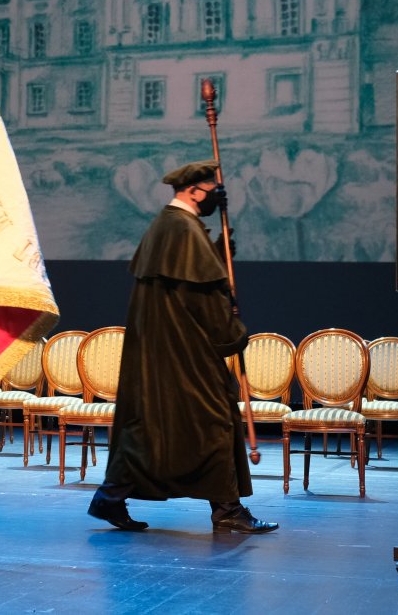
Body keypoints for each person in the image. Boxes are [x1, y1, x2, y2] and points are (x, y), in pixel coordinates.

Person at [88, 159, 278, 535]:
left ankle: (111, 496)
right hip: (186, 355)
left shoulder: (167, 225)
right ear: (192, 190)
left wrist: (217, 255)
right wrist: (232, 334)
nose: (215, 198)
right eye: (211, 191)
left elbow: (184, 285)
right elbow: (203, 298)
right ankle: (227, 509)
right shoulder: (184, 230)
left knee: (153, 428)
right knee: (214, 419)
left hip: (161, 354)